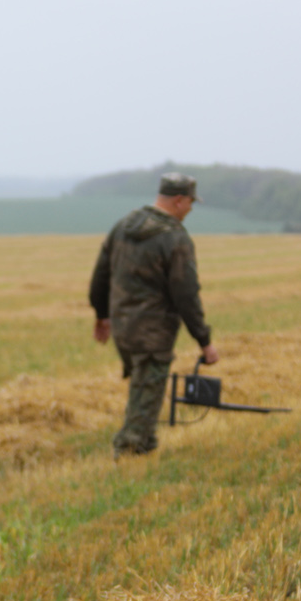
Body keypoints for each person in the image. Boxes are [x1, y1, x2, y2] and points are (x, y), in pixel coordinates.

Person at [88, 172, 221, 456]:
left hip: (124, 326)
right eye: (190, 203)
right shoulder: (174, 238)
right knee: (146, 392)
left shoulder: (123, 225)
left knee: (143, 389)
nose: (191, 209)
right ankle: (130, 450)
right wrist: (204, 341)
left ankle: (145, 444)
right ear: (178, 200)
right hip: (153, 330)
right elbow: (186, 295)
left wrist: (102, 316)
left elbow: (100, 274)